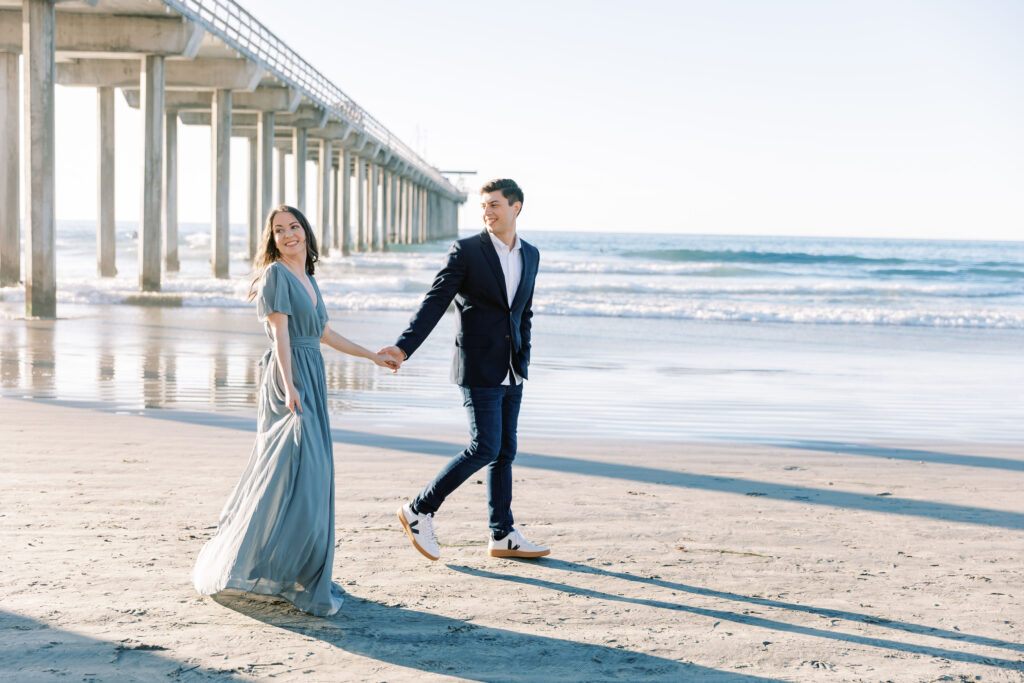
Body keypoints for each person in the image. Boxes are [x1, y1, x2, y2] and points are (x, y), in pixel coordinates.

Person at [193, 205, 397, 616]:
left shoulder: (309, 278)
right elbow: (281, 336)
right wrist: (289, 388)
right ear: (271, 239)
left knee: (311, 477)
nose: (288, 235)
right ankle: (259, 564)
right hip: (290, 381)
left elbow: (323, 333)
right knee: (288, 475)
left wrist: (371, 357)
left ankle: (296, 569)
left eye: (294, 227)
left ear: (306, 232)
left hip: (311, 376)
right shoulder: (275, 275)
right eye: (279, 230)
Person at [381, 178, 549, 561]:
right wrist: (404, 347)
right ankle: (419, 508)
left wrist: (523, 356)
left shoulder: (531, 254)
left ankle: (502, 534)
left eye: (495, 205)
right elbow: (436, 300)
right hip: (477, 366)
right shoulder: (467, 251)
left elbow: (524, 312)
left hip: (512, 368)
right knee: (484, 446)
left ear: (516, 207)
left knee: (505, 450)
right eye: (484, 206)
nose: (488, 212)